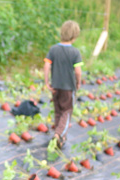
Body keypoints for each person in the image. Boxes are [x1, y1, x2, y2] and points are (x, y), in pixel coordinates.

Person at [43, 20, 83, 148]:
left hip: (56, 86)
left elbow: (47, 65)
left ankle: (60, 137)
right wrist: (78, 82)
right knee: (67, 111)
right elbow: (77, 71)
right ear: (75, 36)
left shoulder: (53, 49)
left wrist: (46, 81)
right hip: (68, 88)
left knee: (58, 111)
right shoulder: (75, 52)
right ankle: (58, 134)